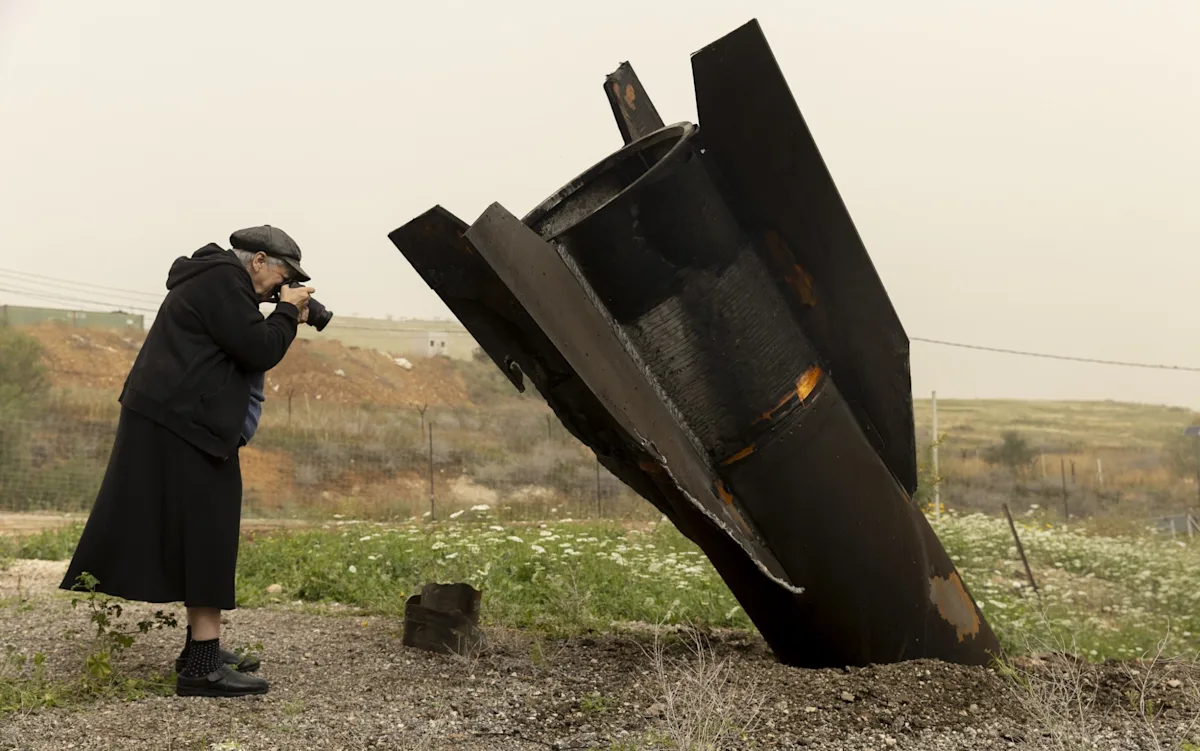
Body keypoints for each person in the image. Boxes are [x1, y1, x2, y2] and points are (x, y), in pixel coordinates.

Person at [60, 225, 315, 698]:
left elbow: (244, 341)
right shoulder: (221, 280)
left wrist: (281, 311)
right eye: (283, 273)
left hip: (180, 422)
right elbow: (259, 347)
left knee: (201, 531)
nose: (283, 284)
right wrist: (285, 313)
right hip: (185, 427)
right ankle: (200, 667)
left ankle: (199, 650)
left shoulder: (214, 281)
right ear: (258, 260)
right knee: (207, 533)